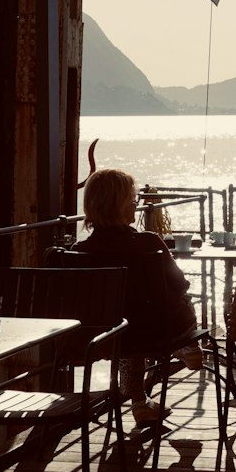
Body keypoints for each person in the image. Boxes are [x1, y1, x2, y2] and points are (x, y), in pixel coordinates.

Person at [74, 167, 200, 427]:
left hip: (105, 339)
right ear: (119, 205)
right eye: (132, 198)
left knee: (125, 327)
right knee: (179, 304)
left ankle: (140, 402)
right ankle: (187, 345)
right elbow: (180, 285)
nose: (136, 203)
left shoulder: (78, 252)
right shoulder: (148, 243)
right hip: (157, 334)